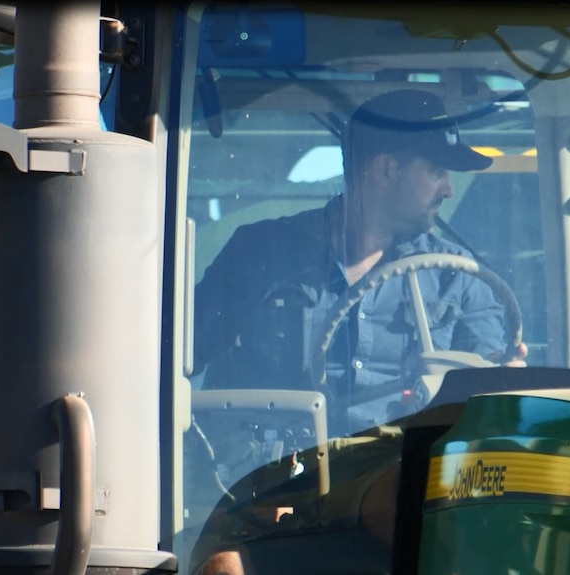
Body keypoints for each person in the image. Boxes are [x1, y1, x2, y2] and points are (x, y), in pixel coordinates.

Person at [192, 89, 527, 434]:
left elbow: (486, 391)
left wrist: (501, 382)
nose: (448, 189)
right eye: (437, 171)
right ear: (386, 169)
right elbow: (174, 360)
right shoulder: (258, 255)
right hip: (270, 479)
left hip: (405, 478)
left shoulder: (457, 276)